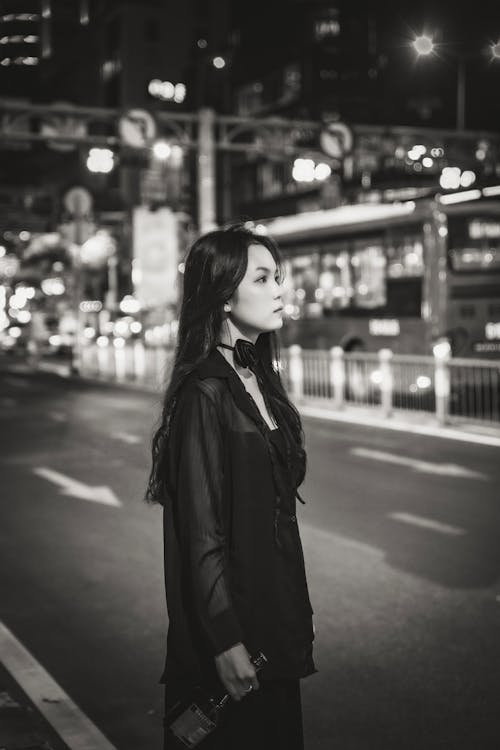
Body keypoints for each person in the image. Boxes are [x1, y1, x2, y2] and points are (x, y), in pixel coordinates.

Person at [144, 223, 317, 749]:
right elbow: (201, 532)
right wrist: (225, 642)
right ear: (223, 295)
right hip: (232, 643)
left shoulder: (259, 378)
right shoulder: (205, 392)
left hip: (274, 625)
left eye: (278, 277)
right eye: (263, 279)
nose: (280, 289)